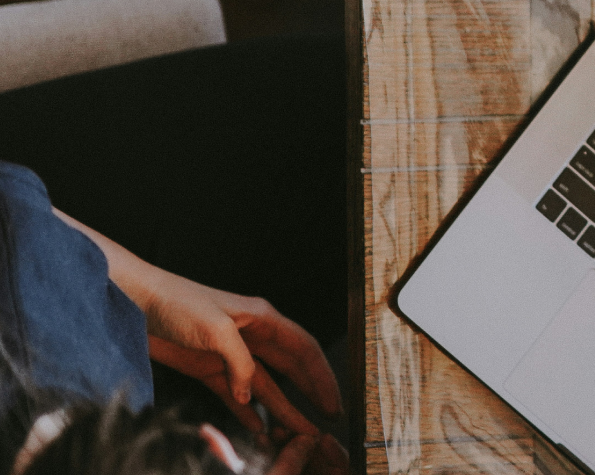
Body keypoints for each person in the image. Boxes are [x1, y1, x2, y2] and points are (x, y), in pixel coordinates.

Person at [0, 37, 349, 475]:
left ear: (221, 449)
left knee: (338, 105)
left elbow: (11, 208)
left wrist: (154, 295)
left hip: (47, 290)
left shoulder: (25, 294)